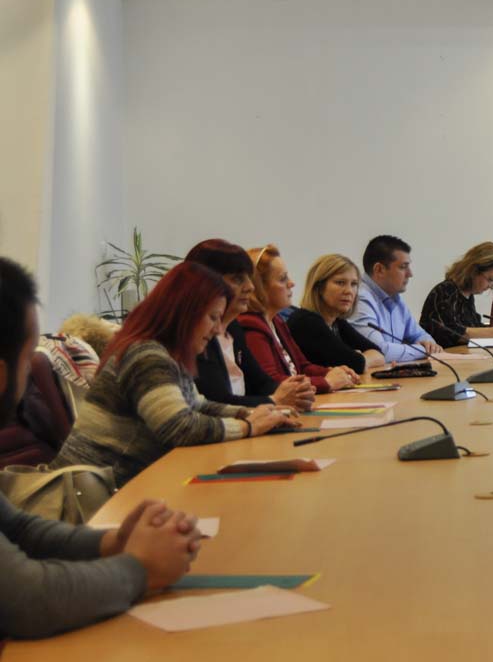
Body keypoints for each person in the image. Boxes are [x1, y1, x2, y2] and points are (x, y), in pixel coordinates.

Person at [0, 257, 205, 638]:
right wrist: (141, 567)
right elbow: (29, 600)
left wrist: (114, 541)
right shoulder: (147, 355)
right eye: (28, 361)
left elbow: (19, 530)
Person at [51, 262, 299, 486]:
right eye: (212, 317)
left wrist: (254, 414)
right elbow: (178, 427)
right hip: (93, 493)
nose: (216, 329)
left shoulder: (168, 355)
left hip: (117, 483)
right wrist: (248, 426)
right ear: (185, 312)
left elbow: (198, 405)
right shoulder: (146, 355)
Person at [186, 239, 315, 411]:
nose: (250, 287)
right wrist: (275, 400)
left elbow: (261, 383)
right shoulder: (196, 334)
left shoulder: (233, 328)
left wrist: (297, 391)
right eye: (237, 279)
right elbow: (217, 402)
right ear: (206, 283)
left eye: (249, 278)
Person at [238, 246, 358, 391]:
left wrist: (331, 372)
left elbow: (302, 366)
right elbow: (271, 382)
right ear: (259, 286)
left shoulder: (277, 321)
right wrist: (326, 382)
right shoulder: (251, 326)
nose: (291, 283)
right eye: (283, 279)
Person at [288, 254, 386, 372]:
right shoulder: (306, 322)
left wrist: (360, 358)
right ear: (319, 287)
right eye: (340, 283)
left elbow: (379, 354)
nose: (349, 291)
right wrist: (359, 358)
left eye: (354, 284)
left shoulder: (337, 322)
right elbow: (356, 363)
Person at [351, 235, 443, 360]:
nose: (410, 274)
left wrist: (429, 345)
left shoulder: (395, 299)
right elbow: (379, 351)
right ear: (379, 269)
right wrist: (423, 350)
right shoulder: (359, 299)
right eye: (403, 267)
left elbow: (421, 336)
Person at [419, 242, 493, 347]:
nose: (491, 287)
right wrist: (491, 332)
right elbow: (450, 332)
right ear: (473, 271)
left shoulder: (468, 296)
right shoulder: (445, 291)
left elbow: (473, 327)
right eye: (490, 280)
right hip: (441, 355)